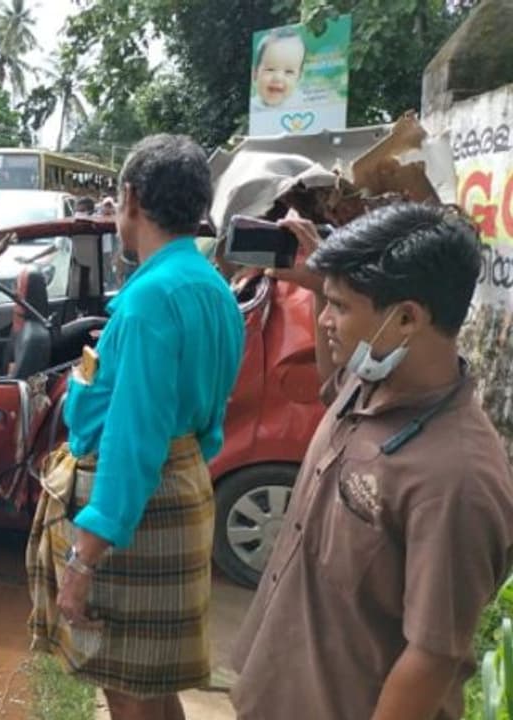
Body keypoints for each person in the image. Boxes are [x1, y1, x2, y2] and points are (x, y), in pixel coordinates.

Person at [232, 204, 513, 720]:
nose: (323, 319)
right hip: (276, 694)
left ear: (406, 318)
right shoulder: (370, 381)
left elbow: (432, 657)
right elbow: (330, 382)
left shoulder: (458, 478)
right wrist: (321, 283)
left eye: (338, 305)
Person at [29, 135, 244, 720]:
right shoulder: (213, 288)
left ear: (130, 198)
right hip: (180, 485)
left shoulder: (150, 297)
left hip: (135, 513)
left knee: (127, 690)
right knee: (152, 683)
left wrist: (83, 561)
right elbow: (209, 420)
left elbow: (132, 441)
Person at [252, 27, 306, 109]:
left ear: (299, 77)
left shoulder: (300, 105)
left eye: (289, 72)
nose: (278, 77)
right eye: (270, 69)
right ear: (255, 73)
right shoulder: (253, 107)